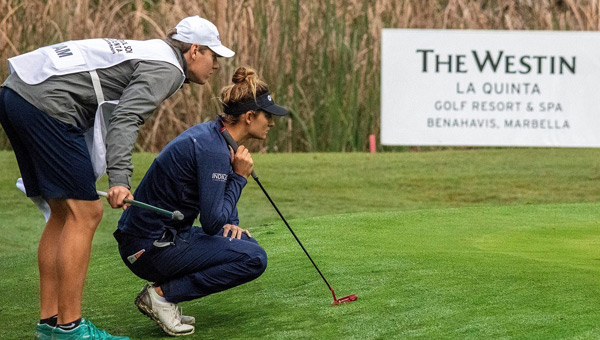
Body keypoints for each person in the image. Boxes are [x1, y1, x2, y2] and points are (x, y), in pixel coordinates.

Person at [0, 15, 234, 340]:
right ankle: (70, 328)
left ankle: (51, 323)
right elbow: (126, 117)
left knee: (63, 213)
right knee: (87, 213)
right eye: (214, 55)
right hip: (44, 103)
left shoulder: (153, 52)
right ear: (194, 51)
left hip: (17, 95)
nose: (217, 65)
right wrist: (119, 180)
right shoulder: (169, 66)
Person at [113, 66, 288, 336]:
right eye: (268, 116)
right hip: (146, 248)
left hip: (162, 237)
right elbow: (211, 222)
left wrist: (233, 224)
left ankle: (164, 296)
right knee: (254, 258)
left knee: (244, 243)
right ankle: (161, 296)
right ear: (250, 116)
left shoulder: (215, 136)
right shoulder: (214, 149)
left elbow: (218, 210)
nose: (272, 123)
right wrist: (240, 178)